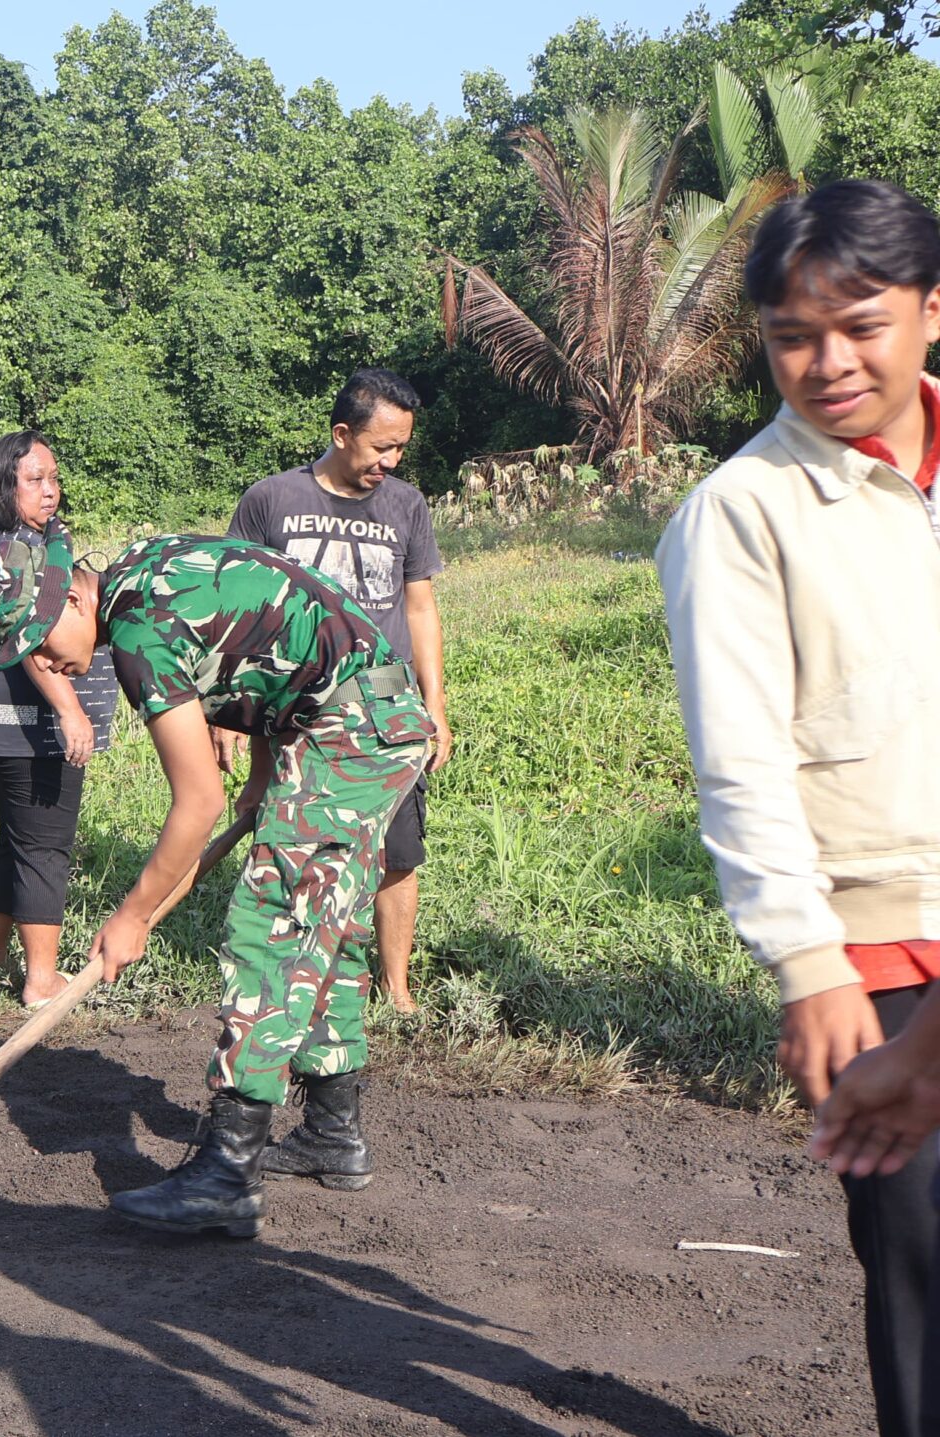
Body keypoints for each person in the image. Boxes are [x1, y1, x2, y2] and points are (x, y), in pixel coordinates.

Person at [662, 179, 940, 1436]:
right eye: (790, 337)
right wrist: (807, 963)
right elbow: (742, 762)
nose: (826, 364)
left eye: (860, 326)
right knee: (921, 1261)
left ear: (930, 310)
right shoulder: (742, 512)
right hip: (880, 945)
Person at [72, 535, 434, 1237]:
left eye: (37, 643)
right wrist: (264, 781)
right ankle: (333, 1132)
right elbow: (270, 646)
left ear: (74, 598)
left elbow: (197, 801)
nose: (46, 664)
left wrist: (133, 916)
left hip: (347, 729)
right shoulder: (148, 566)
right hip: (372, 713)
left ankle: (227, 1177)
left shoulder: (137, 627)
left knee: (272, 926)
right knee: (323, 925)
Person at [225, 367, 451, 1012]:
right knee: (292, 841)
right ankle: (296, 974)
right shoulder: (271, 500)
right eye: (381, 446)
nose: (391, 461)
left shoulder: (406, 505)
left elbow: (419, 608)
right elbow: (239, 609)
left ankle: (396, 987)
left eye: (401, 447)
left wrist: (435, 706)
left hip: (384, 704)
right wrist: (230, 712)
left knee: (397, 849)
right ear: (342, 433)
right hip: (293, 704)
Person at [0, 431, 122, 1009]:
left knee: (17, 838)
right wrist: (71, 711)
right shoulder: (11, 549)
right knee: (45, 844)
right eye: (34, 480)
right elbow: (27, 635)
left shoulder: (1, 543)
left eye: (53, 478)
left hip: (2, 711)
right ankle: (42, 978)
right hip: (24, 715)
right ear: (4, 486)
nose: (50, 491)